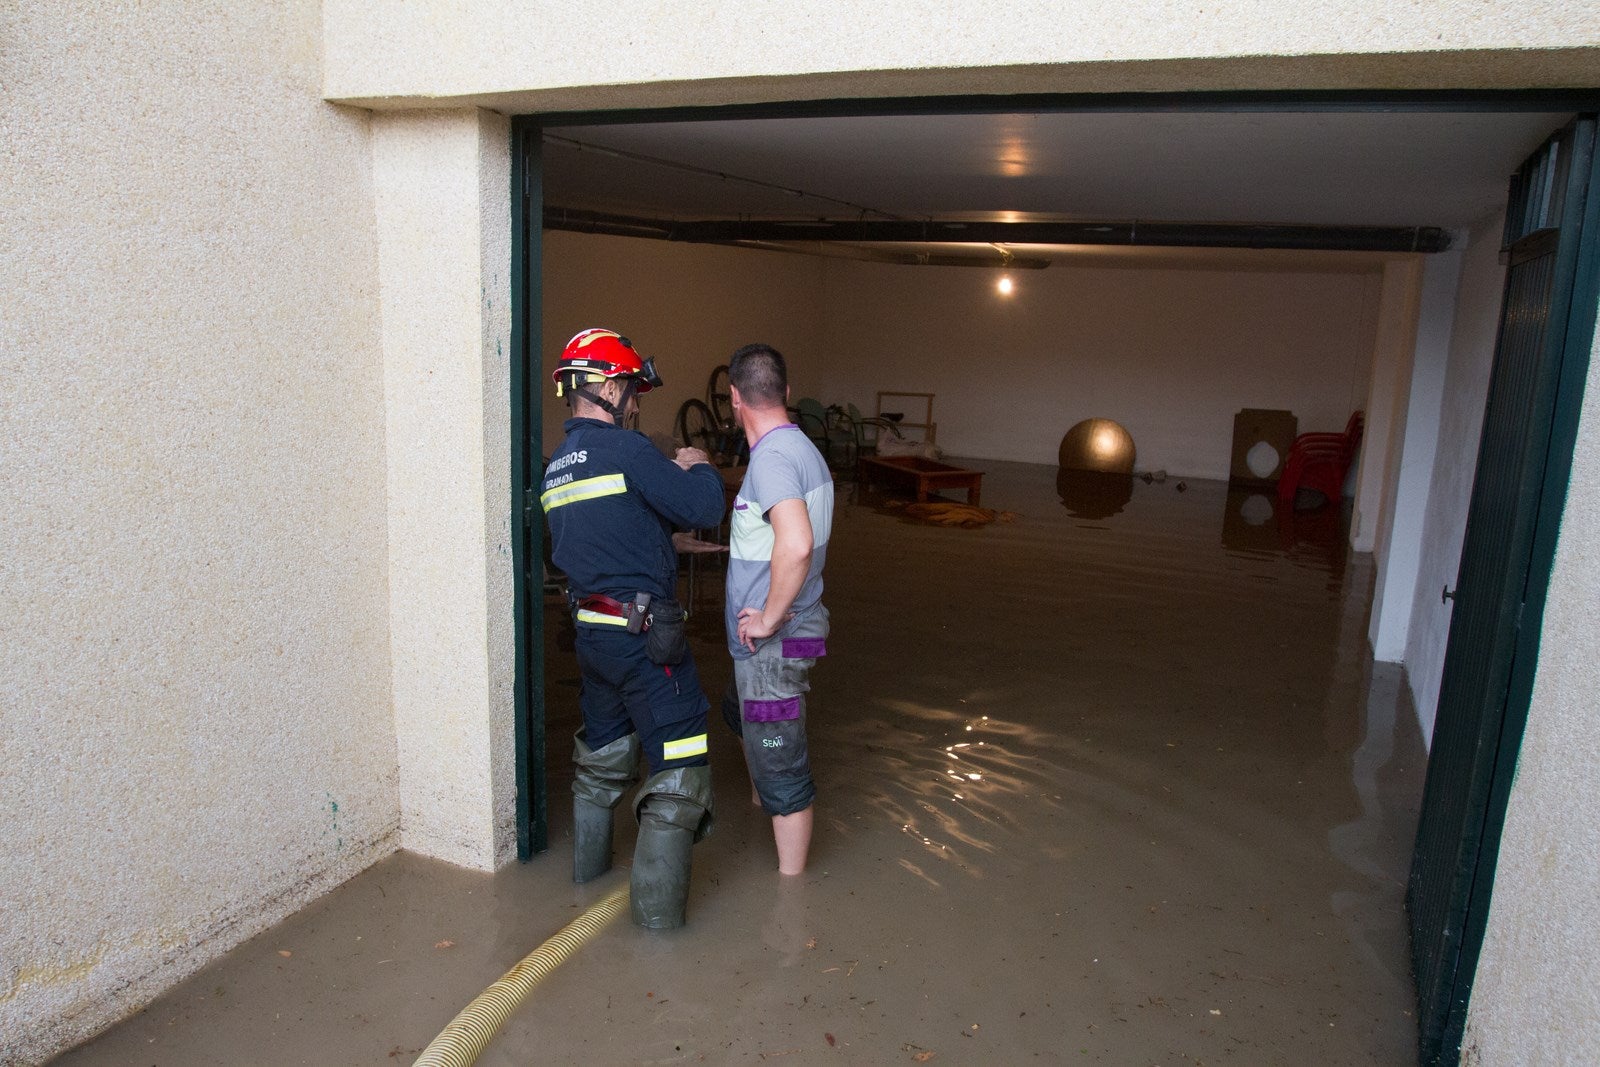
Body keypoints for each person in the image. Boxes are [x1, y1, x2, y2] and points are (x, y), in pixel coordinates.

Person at [540, 328, 726, 929]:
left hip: (591, 638)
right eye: (634, 391)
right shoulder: (630, 450)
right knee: (679, 770)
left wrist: (658, 541)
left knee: (601, 761)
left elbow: (590, 540)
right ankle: (658, 938)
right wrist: (698, 467)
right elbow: (703, 507)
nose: (638, 404)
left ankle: (582, 886)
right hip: (646, 640)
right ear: (611, 386)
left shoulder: (555, 471)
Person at [721, 343, 833, 876]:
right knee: (737, 711)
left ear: (734, 398)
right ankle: (761, 793)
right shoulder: (804, 448)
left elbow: (796, 544)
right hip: (802, 630)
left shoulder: (771, 459)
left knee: (778, 752)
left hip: (777, 641)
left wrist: (765, 617)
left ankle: (792, 903)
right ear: (787, 393)